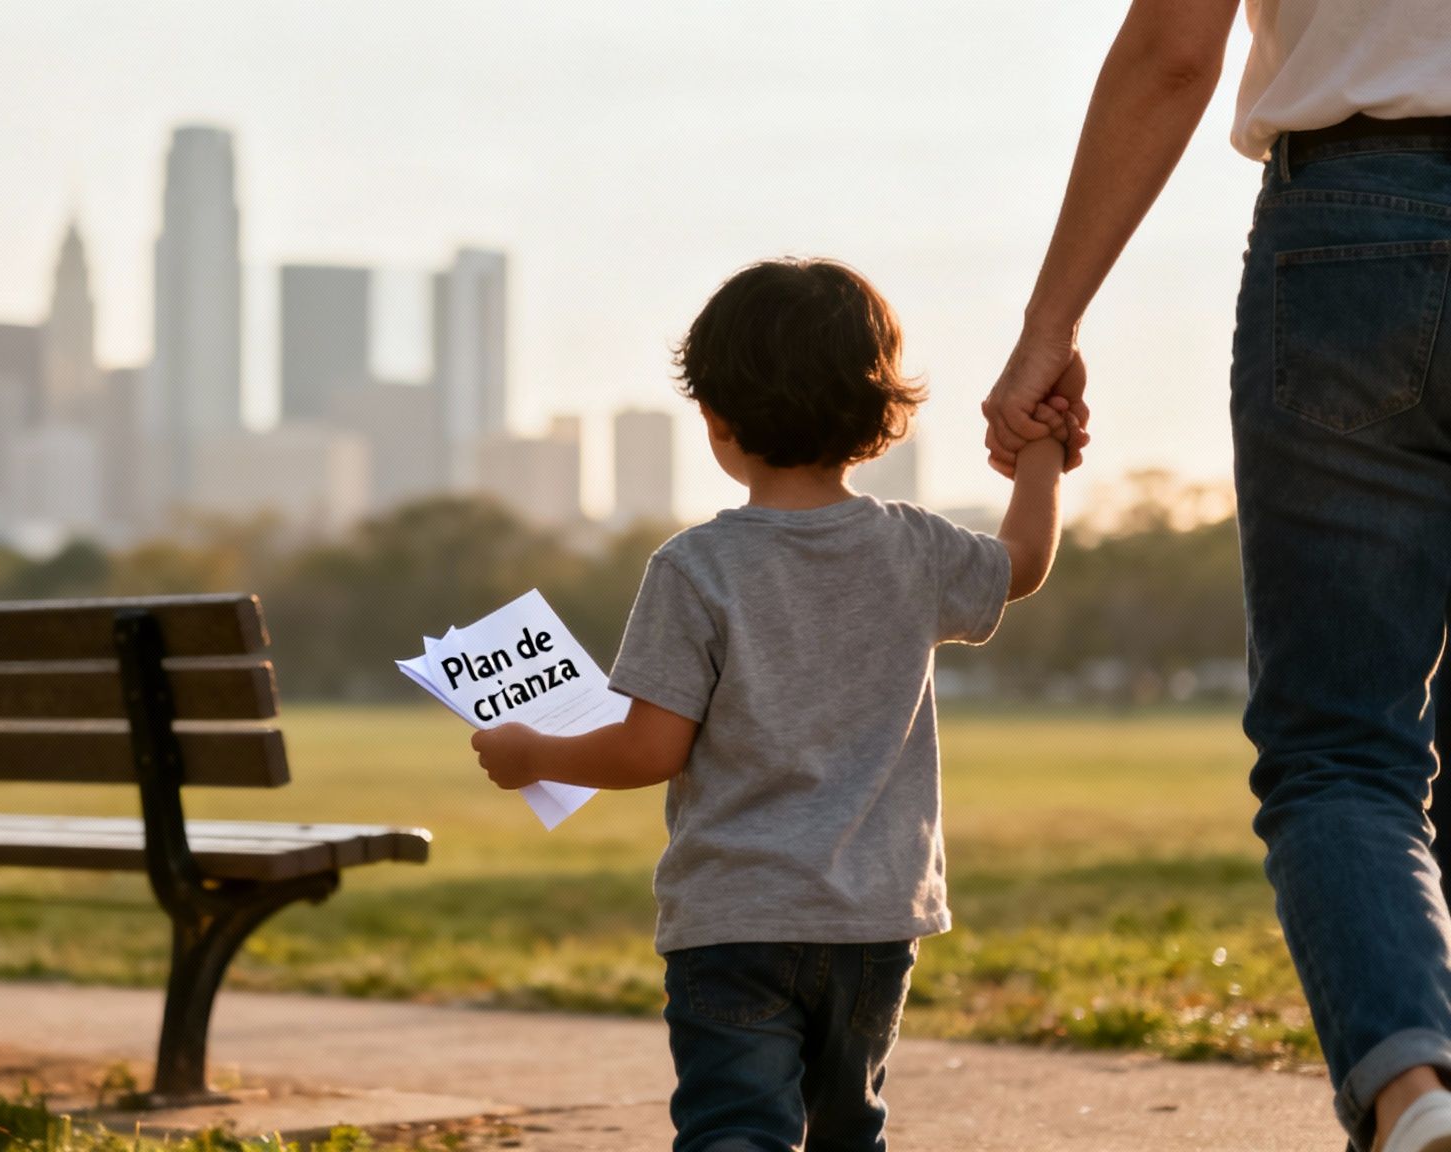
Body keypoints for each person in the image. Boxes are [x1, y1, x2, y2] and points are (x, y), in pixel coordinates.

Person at [979, 2, 1451, 1149]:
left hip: (1353, 223)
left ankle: (1412, 1093)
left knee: (1338, 744)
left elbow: (1172, 50)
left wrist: (1050, 323)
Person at [471, 258, 1075, 1152]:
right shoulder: (915, 549)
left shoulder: (694, 568)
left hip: (734, 920)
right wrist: (1043, 452)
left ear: (717, 421)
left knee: (736, 1132)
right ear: (880, 416)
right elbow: (1022, 562)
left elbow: (649, 750)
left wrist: (532, 754)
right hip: (874, 920)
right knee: (846, 1131)